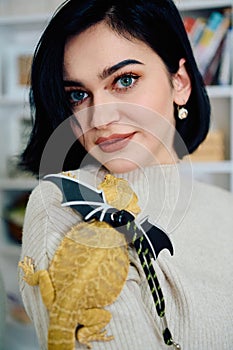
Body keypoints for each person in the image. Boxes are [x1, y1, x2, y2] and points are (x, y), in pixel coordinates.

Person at [18, 0, 233, 349]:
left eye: (125, 80)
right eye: (77, 95)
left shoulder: (225, 207)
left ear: (179, 82)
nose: (98, 118)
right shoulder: (63, 204)